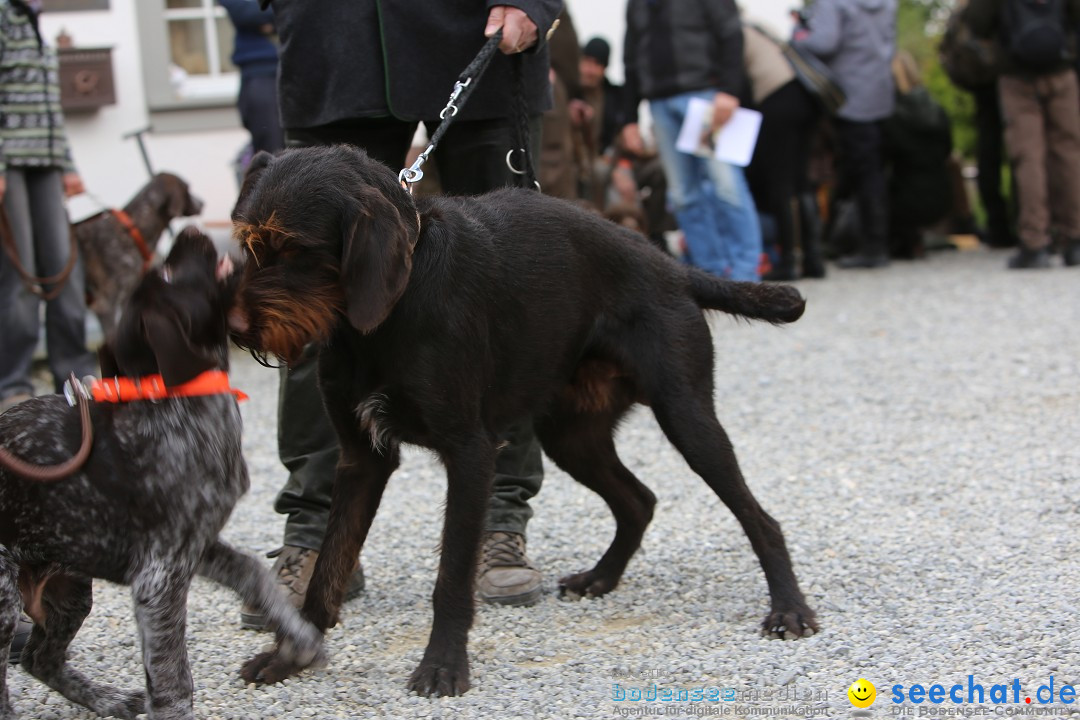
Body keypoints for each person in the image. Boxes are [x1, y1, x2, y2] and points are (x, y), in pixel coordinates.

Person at [239, 0, 561, 631]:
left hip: (475, 39)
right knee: (301, 292)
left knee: (509, 290)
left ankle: (500, 518)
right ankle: (313, 530)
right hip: (332, 45)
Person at [621, 0, 763, 282]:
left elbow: (731, 34)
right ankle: (711, 275)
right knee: (684, 195)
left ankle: (746, 273)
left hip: (707, 98)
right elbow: (631, 58)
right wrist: (629, 118)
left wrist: (729, 90)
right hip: (659, 105)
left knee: (727, 187)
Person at [0, 0, 95, 414]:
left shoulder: (35, 22)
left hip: (47, 163)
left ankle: (74, 375)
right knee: (19, 277)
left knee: (63, 270)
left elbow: (50, 105)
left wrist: (68, 165)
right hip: (10, 163)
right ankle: (12, 382)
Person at [965, 0, 1080, 269]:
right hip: (1060, 69)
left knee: (1028, 156)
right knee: (1069, 153)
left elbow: (976, 22)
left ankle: (1035, 241)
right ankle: (1075, 237)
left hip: (1017, 74)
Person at [792, 0, 898, 269]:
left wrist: (798, 34)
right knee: (873, 170)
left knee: (860, 171)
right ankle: (876, 241)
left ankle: (871, 247)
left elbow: (824, 43)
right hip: (879, 91)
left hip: (846, 95)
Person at [743, 23, 823, 280]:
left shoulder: (732, 30)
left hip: (777, 98)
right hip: (805, 95)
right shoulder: (759, 29)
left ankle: (790, 260)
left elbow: (739, 82)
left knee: (782, 184)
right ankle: (814, 258)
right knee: (801, 183)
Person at [219, 0, 284, 158]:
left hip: (300, 70)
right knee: (271, 153)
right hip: (260, 75)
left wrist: (270, 21)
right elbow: (245, 12)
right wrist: (286, 14)